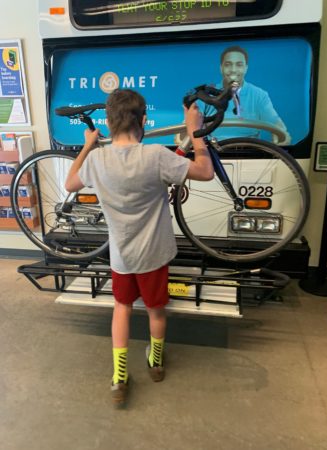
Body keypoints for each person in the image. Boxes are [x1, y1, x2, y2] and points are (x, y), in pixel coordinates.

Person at [64, 89, 214, 406]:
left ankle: (119, 377)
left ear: (108, 121)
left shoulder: (97, 160)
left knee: (122, 308)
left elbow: (69, 183)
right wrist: (194, 132)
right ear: (143, 120)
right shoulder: (156, 156)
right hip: (155, 255)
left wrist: (88, 145)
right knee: (156, 310)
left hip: (122, 257)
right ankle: (155, 363)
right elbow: (205, 171)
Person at [219, 45, 291, 145]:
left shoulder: (259, 95)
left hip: (250, 154)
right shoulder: (206, 95)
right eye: (228, 64)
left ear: (246, 68)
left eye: (239, 65)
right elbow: (190, 127)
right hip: (211, 155)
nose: (233, 70)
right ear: (221, 68)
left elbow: (276, 124)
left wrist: (282, 135)